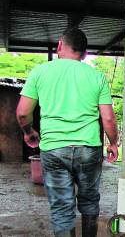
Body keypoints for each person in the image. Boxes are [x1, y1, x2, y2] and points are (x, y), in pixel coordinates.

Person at [16, 28, 119, 237]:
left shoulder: (40, 72)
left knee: (62, 208)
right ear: (84, 53)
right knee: (89, 201)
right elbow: (108, 118)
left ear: (60, 45)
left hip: (53, 149)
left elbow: (22, 113)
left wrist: (29, 132)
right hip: (88, 149)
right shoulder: (96, 76)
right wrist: (113, 143)